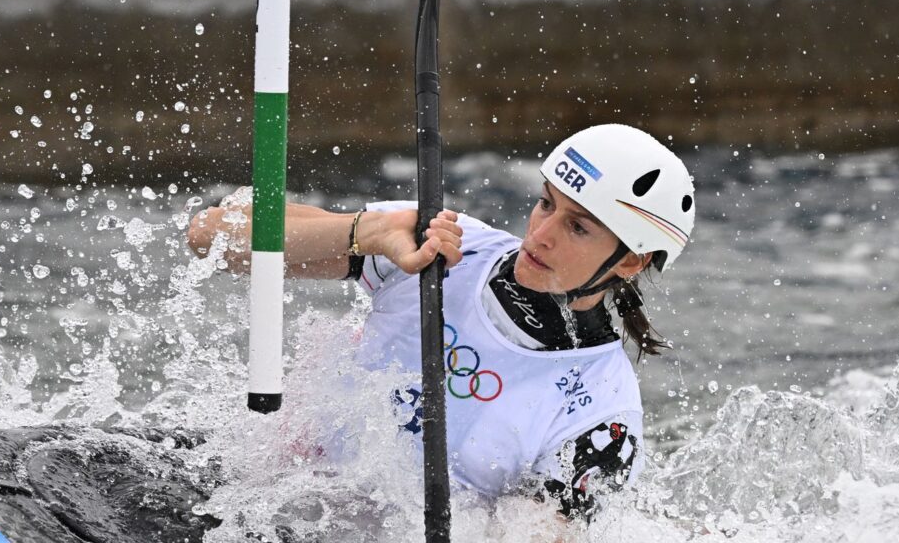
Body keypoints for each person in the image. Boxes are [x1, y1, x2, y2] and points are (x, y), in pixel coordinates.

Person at [188, 124, 695, 520]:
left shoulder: (601, 420)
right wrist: (367, 232)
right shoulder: (446, 249)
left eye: (578, 227)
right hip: (249, 501)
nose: (540, 235)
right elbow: (212, 236)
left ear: (631, 262)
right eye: (545, 203)